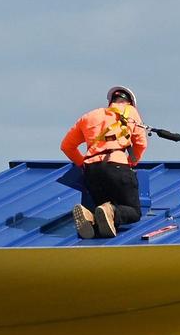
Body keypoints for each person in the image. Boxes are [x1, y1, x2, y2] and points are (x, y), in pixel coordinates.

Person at [60, 86, 148, 239]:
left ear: (111, 101)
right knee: (133, 212)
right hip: (117, 166)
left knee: (105, 218)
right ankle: (109, 211)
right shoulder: (130, 112)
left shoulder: (89, 116)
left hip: (92, 171)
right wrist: (131, 163)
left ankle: (90, 216)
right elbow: (141, 144)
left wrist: (83, 164)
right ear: (130, 102)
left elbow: (66, 146)